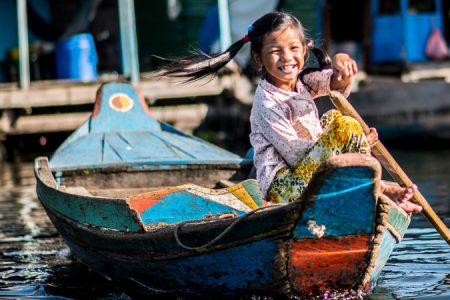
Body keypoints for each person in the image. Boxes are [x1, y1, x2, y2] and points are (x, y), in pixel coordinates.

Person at [156, 12, 422, 214]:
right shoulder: (266, 103)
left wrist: (341, 64)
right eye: (275, 51)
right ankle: (378, 190)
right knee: (344, 127)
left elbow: (335, 84)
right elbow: (298, 156)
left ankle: (372, 188)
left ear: (304, 52)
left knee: (339, 121)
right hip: (283, 189)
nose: (287, 58)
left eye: (294, 49)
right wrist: (350, 144)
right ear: (259, 58)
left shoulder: (303, 83)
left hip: (311, 173)